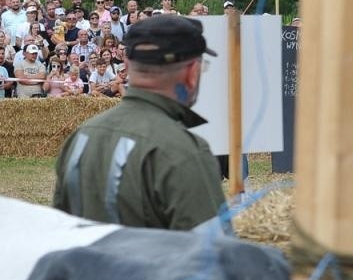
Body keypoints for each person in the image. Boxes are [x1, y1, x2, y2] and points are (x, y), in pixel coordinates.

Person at [52, 14, 227, 231]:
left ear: (126, 64)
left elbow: (60, 230)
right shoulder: (185, 151)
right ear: (192, 73)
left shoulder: (82, 136)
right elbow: (212, 253)